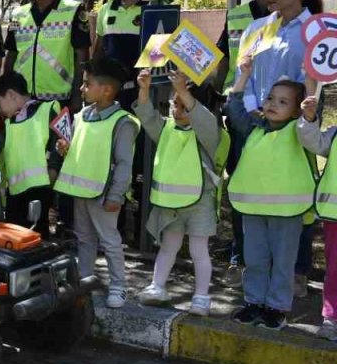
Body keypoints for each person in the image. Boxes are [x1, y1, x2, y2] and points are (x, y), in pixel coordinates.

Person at [234, 0, 323, 296]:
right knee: (252, 198)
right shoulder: (256, 29)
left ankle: (296, 271)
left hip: (296, 129)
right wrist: (250, 115)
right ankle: (253, 273)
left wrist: (301, 119)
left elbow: (316, 83)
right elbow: (241, 75)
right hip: (255, 126)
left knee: (292, 201)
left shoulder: (315, 31)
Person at [218, 0, 287, 283]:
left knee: (278, 191)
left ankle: (282, 264)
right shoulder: (238, 16)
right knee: (241, 187)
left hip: (277, 119)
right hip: (241, 115)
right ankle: (239, 257)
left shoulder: (290, 19)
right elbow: (220, 61)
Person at [225, 71, 314, 330]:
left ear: (298, 110)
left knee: (283, 263)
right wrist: (243, 76)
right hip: (253, 209)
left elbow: (311, 120)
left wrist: (310, 92)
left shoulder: (299, 131)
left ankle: (276, 308)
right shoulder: (253, 127)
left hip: (287, 212)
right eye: (271, 98)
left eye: (283, 102)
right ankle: (254, 303)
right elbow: (233, 108)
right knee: (255, 258)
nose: (273, 104)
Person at [131, 69, 221, 315]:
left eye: (182, 103)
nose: (175, 107)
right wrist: (144, 89)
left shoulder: (208, 131)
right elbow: (147, 116)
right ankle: (157, 286)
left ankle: (201, 297)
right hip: (170, 203)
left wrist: (183, 89)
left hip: (199, 203)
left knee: (198, 251)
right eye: (173, 101)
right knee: (168, 246)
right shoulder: (166, 128)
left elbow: (202, 118)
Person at [53, 57, 138, 309]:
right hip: (81, 191)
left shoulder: (123, 122)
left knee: (110, 241)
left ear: (107, 90)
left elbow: (124, 163)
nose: (82, 88)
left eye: (87, 84)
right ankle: (84, 283)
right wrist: (65, 149)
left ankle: (119, 287)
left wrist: (116, 195)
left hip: (104, 194)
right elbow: (80, 151)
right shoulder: (81, 116)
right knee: (85, 239)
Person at [0, 71, 61, 237]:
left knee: (37, 237)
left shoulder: (49, 108)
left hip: (41, 188)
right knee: (16, 236)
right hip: (15, 192)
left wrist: (53, 172)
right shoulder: (10, 122)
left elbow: (57, 144)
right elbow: (2, 138)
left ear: (11, 95)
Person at [4, 0, 91, 107]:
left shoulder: (74, 10)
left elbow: (82, 58)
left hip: (59, 101)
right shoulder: (17, 14)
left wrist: (77, 97)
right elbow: (11, 55)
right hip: (21, 100)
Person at [216, 0, 288, 97]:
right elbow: (223, 59)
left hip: (274, 106)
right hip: (235, 104)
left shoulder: (290, 18)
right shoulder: (235, 15)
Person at [92, 0, 156, 110]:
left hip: (141, 95)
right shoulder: (106, 8)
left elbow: (158, 58)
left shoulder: (155, 11)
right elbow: (99, 51)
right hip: (108, 95)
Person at [299, 90, 337, 339]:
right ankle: (331, 317)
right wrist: (309, 119)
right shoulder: (335, 132)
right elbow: (314, 143)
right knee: (334, 268)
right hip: (334, 215)